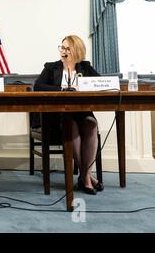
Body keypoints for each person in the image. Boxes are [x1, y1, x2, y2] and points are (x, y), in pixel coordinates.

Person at [33, 35, 104, 195]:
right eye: (62, 47)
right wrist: (62, 90)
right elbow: (38, 86)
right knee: (70, 124)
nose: (63, 51)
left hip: (82, 112)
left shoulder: (85, 68)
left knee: (91, 124)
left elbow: (100, 83)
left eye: (67, 49)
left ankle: (84, 175)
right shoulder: (52, 67)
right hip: (57, 115)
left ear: (77, 51)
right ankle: (86, 179)